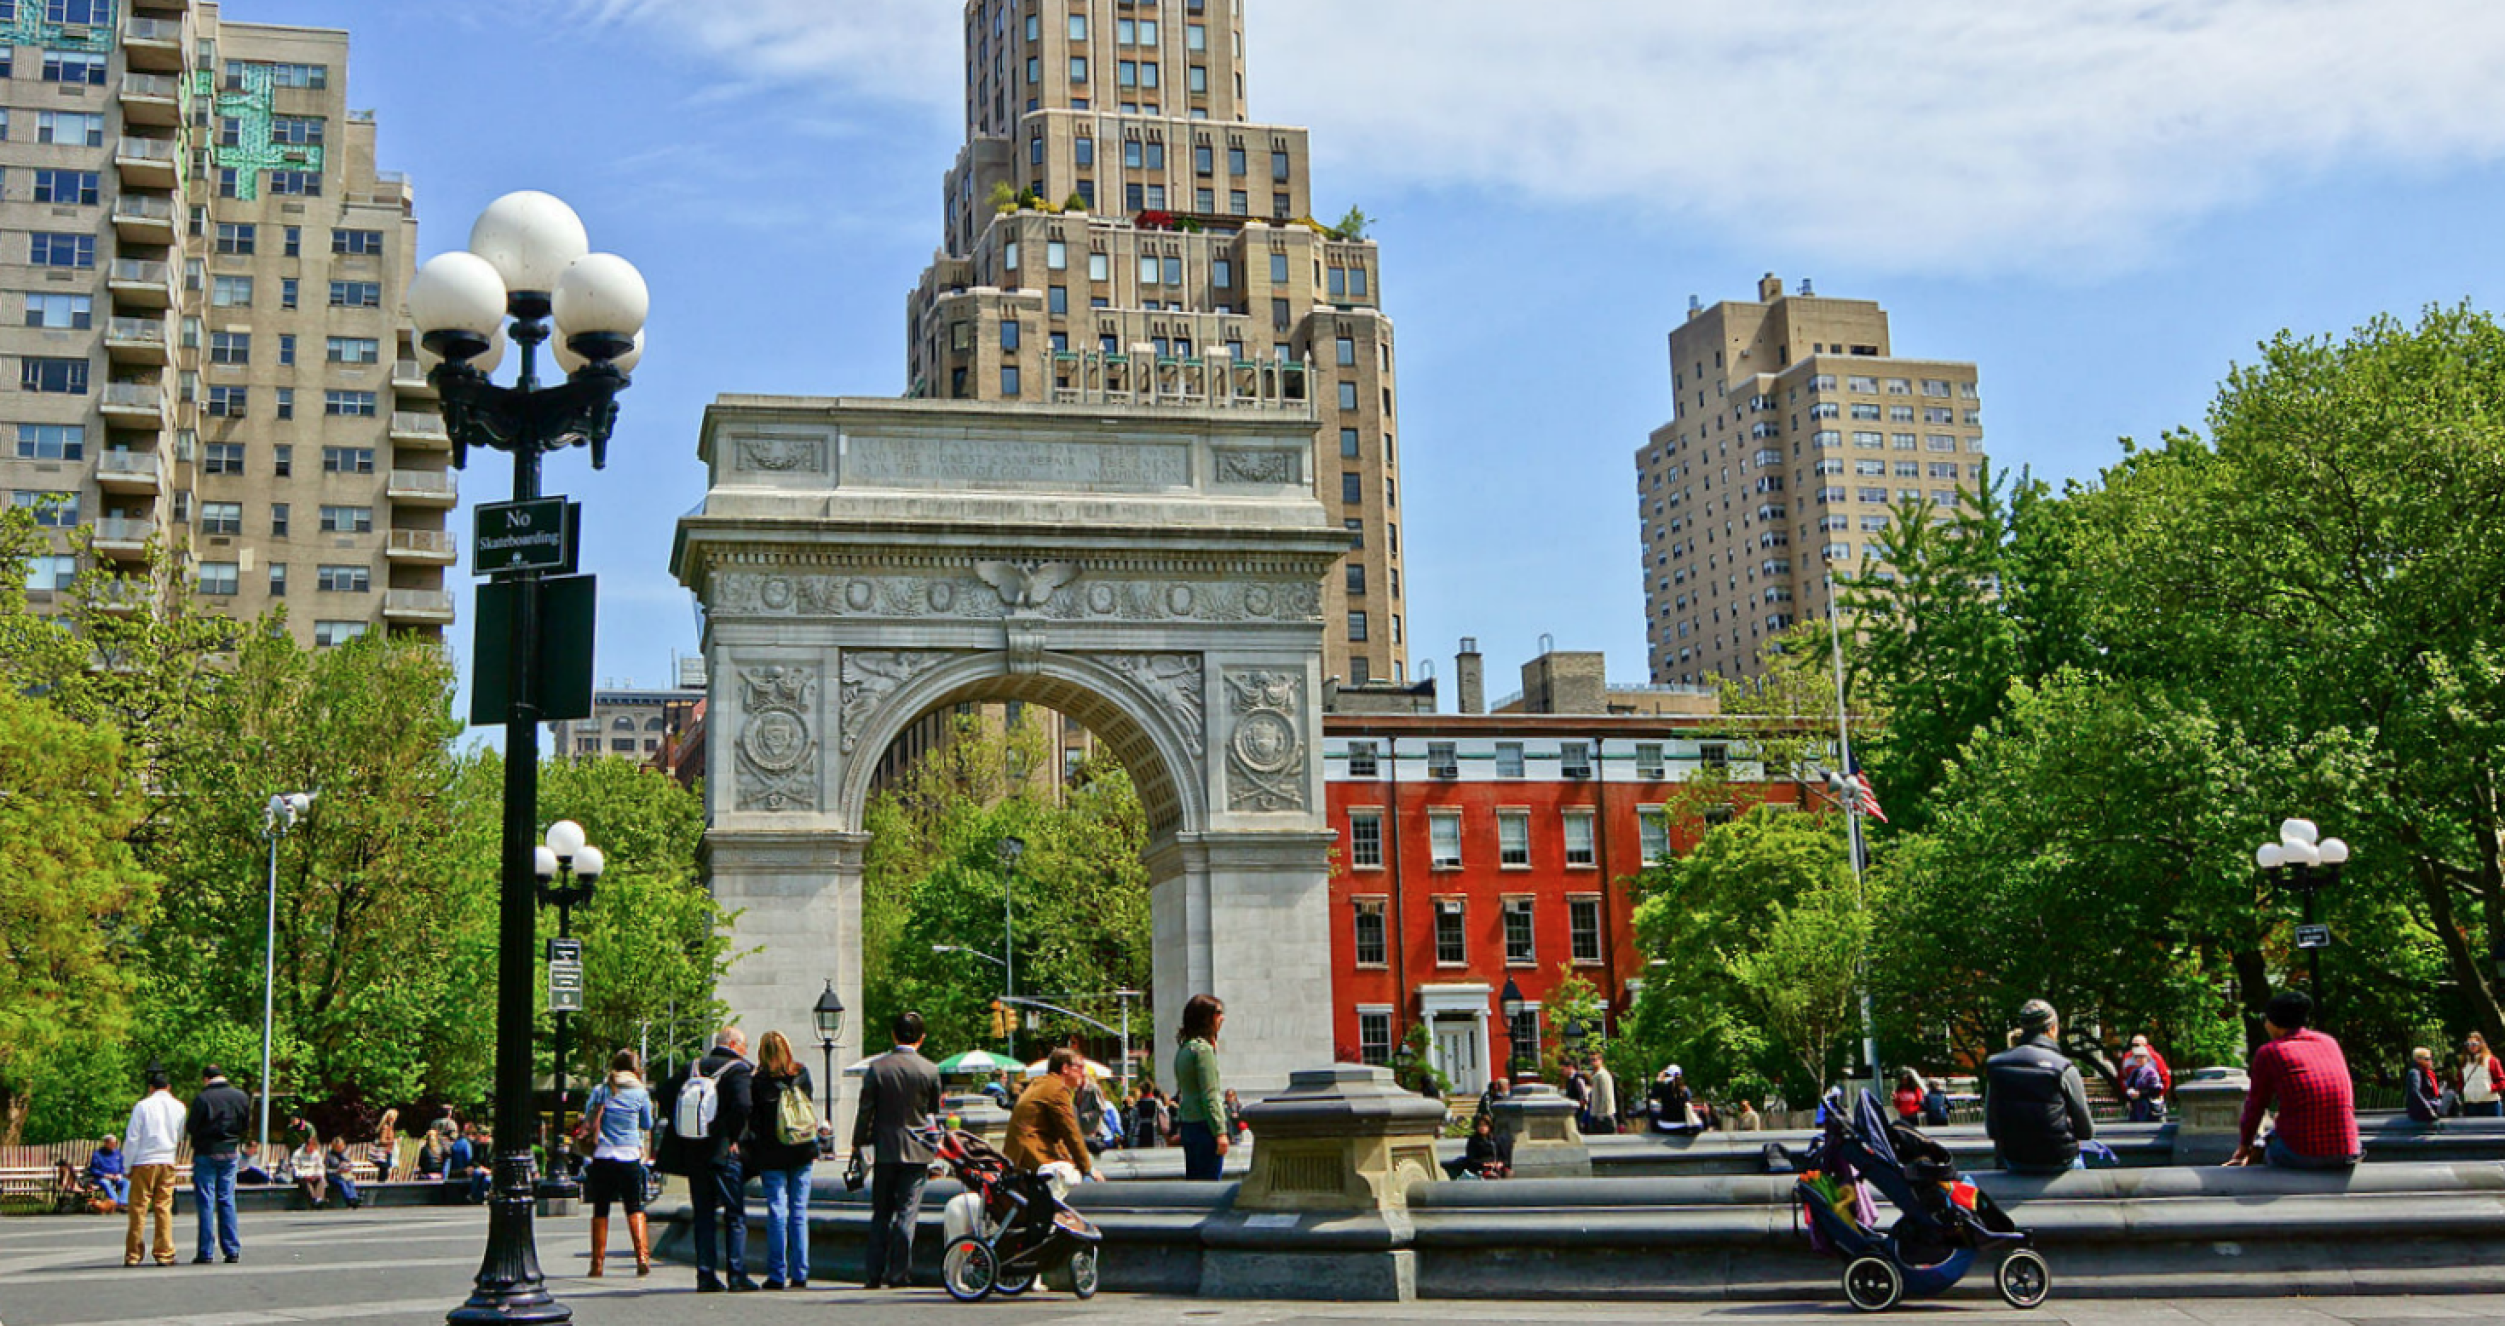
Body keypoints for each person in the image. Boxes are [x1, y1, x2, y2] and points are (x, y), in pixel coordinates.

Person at [850, 1010, 941, 1290]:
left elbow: (865, 1111)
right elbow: (933, 1114)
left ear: (893, 1035)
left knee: (881, 1213)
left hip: (885, 1150)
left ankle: (873, 1273)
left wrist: (858, 1143)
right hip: (917, 1151)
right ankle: (899, 1273)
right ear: (922, 1038)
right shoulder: (930, 1070)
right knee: (907, 1212)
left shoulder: (877, 1069)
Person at [663, 1027, 758, 1293]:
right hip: (724, 1153)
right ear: (733, 1044)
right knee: (734, 1214)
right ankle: (736, 1274)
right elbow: (743, 1105)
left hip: (694, 1151)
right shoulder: (738, 1070)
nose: (746, 1051)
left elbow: (664, 1093)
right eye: (744, 1045)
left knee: (703, 1214)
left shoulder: (692, 1067)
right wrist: (731, 1135)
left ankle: (705, 1275)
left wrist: (687, 1127)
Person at [2227, 990, 2358, 1169]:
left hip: (2302, 1152)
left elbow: (2256, 1105)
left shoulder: (2271, 1052)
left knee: (2264, 1149)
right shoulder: (2329, 1043)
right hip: (2347, 1150)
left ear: (2274, 1023)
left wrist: (2244, 1146)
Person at [1984, 999, 2095, 1173]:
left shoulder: (1996, 1065)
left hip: (2015, 1158)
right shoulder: (2064, 1067)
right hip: (2059, 1158)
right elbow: (2085, 1131)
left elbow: (1992, 1128)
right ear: (2052, 1029)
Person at [747, 1030, 819, 1290]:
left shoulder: (759, 1082)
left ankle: (777, 1273)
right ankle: (800, 1272)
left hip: (772, 1154)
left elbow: (754, 1121)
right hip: (803, 1150)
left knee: (777, 1211)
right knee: (799, 1212)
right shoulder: (802, 1074)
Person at [581, 1048, 657, 1278]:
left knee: (600, 1208)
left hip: (603, 1155)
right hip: (629, 1155)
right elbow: (647, 1123)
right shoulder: (640, 1092)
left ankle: (597, 1264)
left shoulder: (601, 1090)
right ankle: (642, 1257)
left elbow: (588, 1118)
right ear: (635, 1069)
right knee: (634, 1206)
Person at [185, 1064, 251, 1264]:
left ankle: (205, 1251)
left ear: (206, 1079)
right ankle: (232, 1249)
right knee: (227, 1199)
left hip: (206, 1152)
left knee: (206, 1201)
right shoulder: (240, 1097)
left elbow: (192, 1127)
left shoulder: (202, 1098)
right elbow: (245, 1125)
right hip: (230, 1151)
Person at [123, 1069, 184, 1266]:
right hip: (167, 1160)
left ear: (150, 1088)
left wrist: (127, 1165)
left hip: (144, 1161)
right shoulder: (179, 1107)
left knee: (139, 1208)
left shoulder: (142, 1106)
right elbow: (180, 1135)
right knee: (163, 1207)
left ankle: (133, 1254)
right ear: (169, 1087)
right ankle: (164, 1252)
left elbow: (132, 1138)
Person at [1006, 1047, 1096, 1178]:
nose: (1084, 1073)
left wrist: (1073, 1162)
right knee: (1088, 1186)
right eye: (1080, 1067)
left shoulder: (1040, 1083)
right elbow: (1071, 1133)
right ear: (1065, 1068)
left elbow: (1057, 1138)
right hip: (1034, 1159)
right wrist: (1087, 1169)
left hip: (1018, 1157)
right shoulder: (1057, 1089)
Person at [1173, 993, 1228, 1181]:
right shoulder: (1203, 1051)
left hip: (1189, 1125)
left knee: (1195, 1185)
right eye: (1218, 1013)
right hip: (1206, 1127)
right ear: (1206, 1018)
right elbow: (1210, 1093)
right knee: (1210, 1186)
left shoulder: (1185, 1049)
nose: (1222, 1018)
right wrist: (1220, 1131)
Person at [1446, 1113, 1509, 1179]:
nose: (1482, 1128)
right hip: (1481, 1167)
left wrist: (1500, 1163)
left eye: (1484, 1125)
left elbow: (1503, 1156)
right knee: (1491, 1176)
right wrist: (1484, 1164)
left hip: (1497, 1166)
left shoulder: (1495, 1140)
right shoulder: (1474, 1140)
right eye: (1480, 1125)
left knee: (1508, 1173)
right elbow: (1471, 1158)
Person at [2457, 1033, 2503, 1118]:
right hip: (2471, 1105)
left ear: (2481, 1044)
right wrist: (2464, 1091)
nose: (2471, 1046)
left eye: (2474, 1044)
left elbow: (2501, 1081)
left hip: (2490, 1103)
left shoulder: (2491, 1060)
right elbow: (2460, 1082)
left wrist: (2490, 1089)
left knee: (2494, 1130)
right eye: (2468, 1044)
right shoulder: (2464, 1063)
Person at [2122, 1045, 2167, 1123]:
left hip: (2148, 1106)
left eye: (2141, 1057)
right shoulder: (2135, 1072)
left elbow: (2156, 1089)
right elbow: (2129, 1086)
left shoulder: (2151, 1072)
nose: (2138, 1059)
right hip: (2136, 1107)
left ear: (2147, 1058)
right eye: (2136, 1057)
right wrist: (2129, 1097)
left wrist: (2140, 1093)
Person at [87, 1135, 129, 1211]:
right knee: (106, 1183)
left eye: (115, 1143)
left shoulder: (117, 1153)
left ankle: (123, 1202)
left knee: (127, 1182)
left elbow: (122, 1166)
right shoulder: (98, 1154)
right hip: (102, 1177)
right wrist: (105, 1175)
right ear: (106, 1143)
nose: (114, 1145)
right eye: (112, 1143)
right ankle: (116, 1203)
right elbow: (93, 1169)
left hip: (116, 1176)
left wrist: (120, 1174)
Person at [2405, 1047, 2445, 1124]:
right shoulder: (2415, 1073)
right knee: (2450, 1094)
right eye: (2427, 1059)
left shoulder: (2425, 1073)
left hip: (2428, 1105)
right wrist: (2429, 1109)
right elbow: (2415, 1092)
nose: (2430, 1061)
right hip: (2422, 1110)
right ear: (2418, 1059)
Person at [290, 1132, 327, 1209]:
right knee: (307, 1184)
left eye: (314, 1148)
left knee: (322, 1181)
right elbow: (295, 1168)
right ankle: (314, 1199)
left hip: (314, 1174)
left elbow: (320, 1166)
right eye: (310, 1148)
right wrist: (305, 1175)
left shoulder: (316, 1154)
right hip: (302, 1176)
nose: (312, 1150)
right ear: (307, 1145)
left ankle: (319, 1199)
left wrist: (318, 1174)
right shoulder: (297, 1153)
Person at [323, 1137, 362, 1210]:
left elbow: (349, 1163)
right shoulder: (329, 1155)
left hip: (344, 1174)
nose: (340, 1148)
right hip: (333, 1176)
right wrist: (337, 1171)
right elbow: (326, 1170)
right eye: (338, 1147)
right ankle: (350, 1200)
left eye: (341, 1146)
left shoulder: (345, 1153)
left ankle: (354, 1198)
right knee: (342, 1182)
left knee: (350, 1181)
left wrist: (348, 1166)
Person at [1588, 1056, 1619, 1136]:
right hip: (1596, 1114)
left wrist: (1601, 1114)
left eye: (1595, 1060)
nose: (1593, 1062)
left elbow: (1606, 1096)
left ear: (1601, 1060)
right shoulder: (1596, 1075)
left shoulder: (1602, 1075)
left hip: (1604, 1116)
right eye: (1591, 1060)